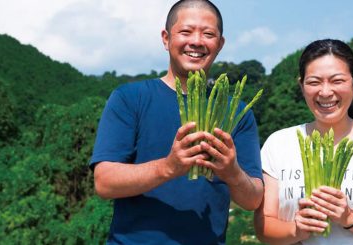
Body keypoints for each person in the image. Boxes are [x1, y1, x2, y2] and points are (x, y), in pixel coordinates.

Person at [90, 0, 263, 244]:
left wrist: (231, 171)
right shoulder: (129, 98)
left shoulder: (239, 112)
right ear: (166, 38)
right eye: (185, 31)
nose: (197, 41)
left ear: (220, 44)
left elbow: (253, 199)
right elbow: (104, 182)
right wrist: (169, 167)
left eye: (208, 34)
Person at [254, 39, 353, 244]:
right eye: (314, 82)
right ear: (301, 85)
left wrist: (348, 216)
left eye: (337, 81)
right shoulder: (279, 143)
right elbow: (264, 227)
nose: (325, 92)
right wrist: (297, 230)